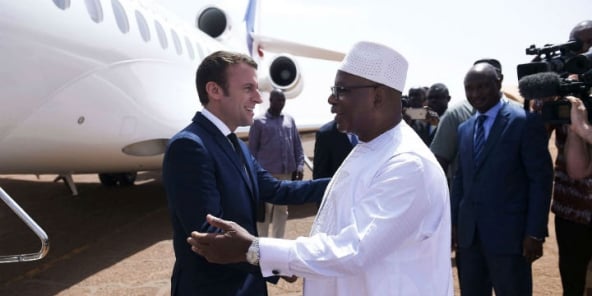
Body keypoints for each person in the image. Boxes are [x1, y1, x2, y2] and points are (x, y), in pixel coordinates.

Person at [187, 41, 454, 295]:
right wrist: (284, 257)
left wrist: (256, 250)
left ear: (378, 97)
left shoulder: (408, 164)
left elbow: (353, 249)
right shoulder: (369, 148)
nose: (331, 99)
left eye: (341, 90)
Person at [161, 50, 329, 296]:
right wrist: (278, 262)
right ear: (215, 90)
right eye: (248, 88)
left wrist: (342, 182)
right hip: (213, 289)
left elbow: (277, 190)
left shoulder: (234, 143)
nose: (259, 98)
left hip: (248, 286)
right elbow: (209, 238)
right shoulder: (190, 146)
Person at [451, 63, 554, 295]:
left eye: (483, 87)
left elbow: (540, 180)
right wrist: (455, 222)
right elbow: (461, 178)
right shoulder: (465, 129)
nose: (475, 94)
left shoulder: (524, 122)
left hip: (510, 238)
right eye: (470, 88)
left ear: (498, 83)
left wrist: (535, 232)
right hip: (470, 238)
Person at [548, 20, 592, 296]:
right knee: (573, 287)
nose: (585, 54)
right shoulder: (562, 91)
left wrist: (585, 130)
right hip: (570, 212)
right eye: (578, 46)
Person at [430, 59, 501, 185]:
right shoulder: (455, 116)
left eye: (485, 84)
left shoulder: (518, 116)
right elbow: (439, 163)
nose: (477, 93)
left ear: (499, 80)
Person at [248, 88, 305, 238]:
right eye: (277, 100)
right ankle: (262, 244)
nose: (280, 103)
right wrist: (254, 174)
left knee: (282, 210)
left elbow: (297, 145)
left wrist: (299, 166)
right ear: (270, 100)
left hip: (286, 174)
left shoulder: (289, 120)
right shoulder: (259, 122)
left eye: (283, 100)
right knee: (265, 211)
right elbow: (252, 150)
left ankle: (278, 243)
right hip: (267, 175)